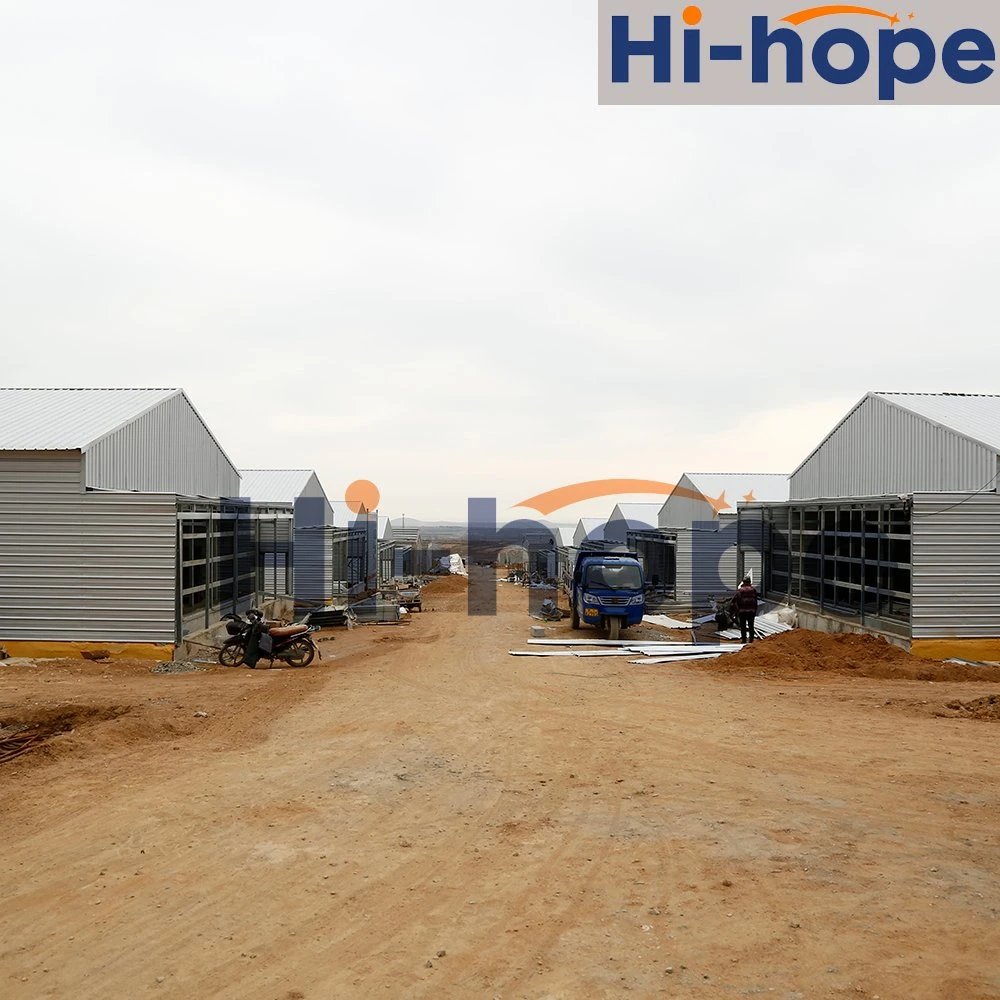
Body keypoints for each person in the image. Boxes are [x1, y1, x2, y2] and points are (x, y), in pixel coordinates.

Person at [732, 575, 759, 644]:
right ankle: (751, 641)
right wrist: (755, 610)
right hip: (751, 611)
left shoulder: (740, 591)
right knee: (751, 627)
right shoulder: (753, 590)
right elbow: (755, 601)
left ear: (743, 582)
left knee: (743, 627)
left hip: (742, 612)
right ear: (750, 582)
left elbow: (734, 601)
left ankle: (744, 641)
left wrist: (736, 611)